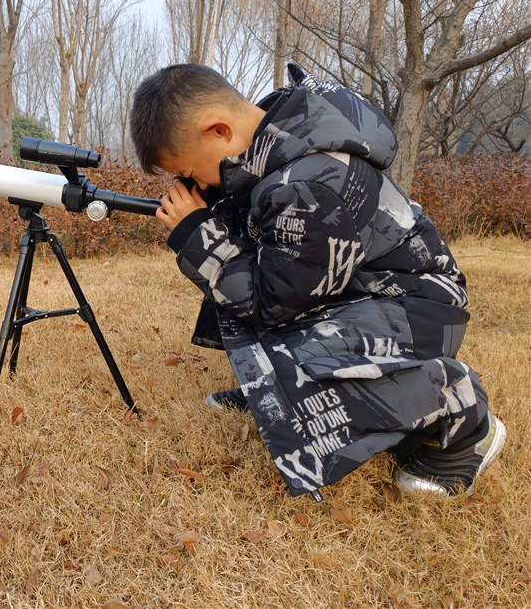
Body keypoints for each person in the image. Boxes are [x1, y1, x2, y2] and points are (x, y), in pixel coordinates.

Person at [129, 62, 506, 498]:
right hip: (365, 294)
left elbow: (273, 303)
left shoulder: (309, 181)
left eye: (191, 173)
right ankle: (276, 389)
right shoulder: (274, 149)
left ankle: (460, 414)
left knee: (305, 356)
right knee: (274, 342)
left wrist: (196, 237)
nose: (193, 183)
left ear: (218, 131)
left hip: (418, 310)